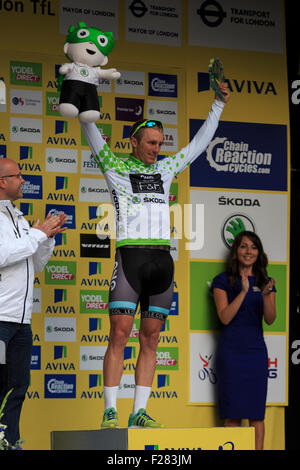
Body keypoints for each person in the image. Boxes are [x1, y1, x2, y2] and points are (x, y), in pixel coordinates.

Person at [80, 82, 230, 429]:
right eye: (150, 143)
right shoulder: (115, 167)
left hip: (162, 260)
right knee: (119, 334)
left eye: (160, 144)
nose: (156, 149)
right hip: (130, 258)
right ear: (133, 142)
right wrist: (83, 92)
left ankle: (139, 411)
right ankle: (110, 410)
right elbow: (91, 129)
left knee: (151, 338)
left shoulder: (165, 170)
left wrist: (218, 105)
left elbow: (198, 145)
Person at [0, 158, 66, 446]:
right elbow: (2, 255)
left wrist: (46, 238)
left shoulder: (18, 216)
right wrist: (37, 234)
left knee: (18, 385)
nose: (24, 179)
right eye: (18, 175)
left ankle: (8, 439)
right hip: (0, 319)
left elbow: (34, 264)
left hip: (21, 321)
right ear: (2, 181)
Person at [212, 231, 276, 450]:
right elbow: (225, 317)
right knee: (232, 415)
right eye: (243, 246)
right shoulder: (222, 281)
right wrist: (243, 292)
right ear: (236, 251)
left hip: (256, 352)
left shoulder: (266, 282)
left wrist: (266, 295)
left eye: (253, 247)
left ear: (259, 252)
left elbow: (270, 319)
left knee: (257, 415)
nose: (249, 251)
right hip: (231, 352)